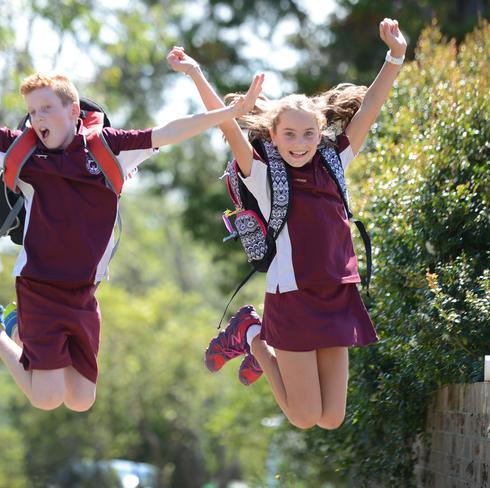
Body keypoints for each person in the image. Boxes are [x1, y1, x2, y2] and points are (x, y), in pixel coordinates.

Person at [0, 43, 264, 412]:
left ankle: (17, 328)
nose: (38, 119)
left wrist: (230, 112)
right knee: (46, 397)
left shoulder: (108, 148)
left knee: (82, 400)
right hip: (39, 286)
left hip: (84, 292)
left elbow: (171, 130)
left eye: (47, 109)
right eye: (33, 112)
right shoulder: (24, 151)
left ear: (73, 110)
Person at [167, 17, 407, 430]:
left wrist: (395, 56)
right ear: (274, 137)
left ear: (320, 135)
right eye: (290, 135)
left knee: (331, 419)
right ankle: (252, 335)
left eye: (308, 134)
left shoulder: (335, 160)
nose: (300, 144)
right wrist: (195, 73)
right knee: (303, 416)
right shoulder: (262, 173)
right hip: (293, 296)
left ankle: (248, 333)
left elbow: (370, 107)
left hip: (337, 293)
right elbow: (227, 124)